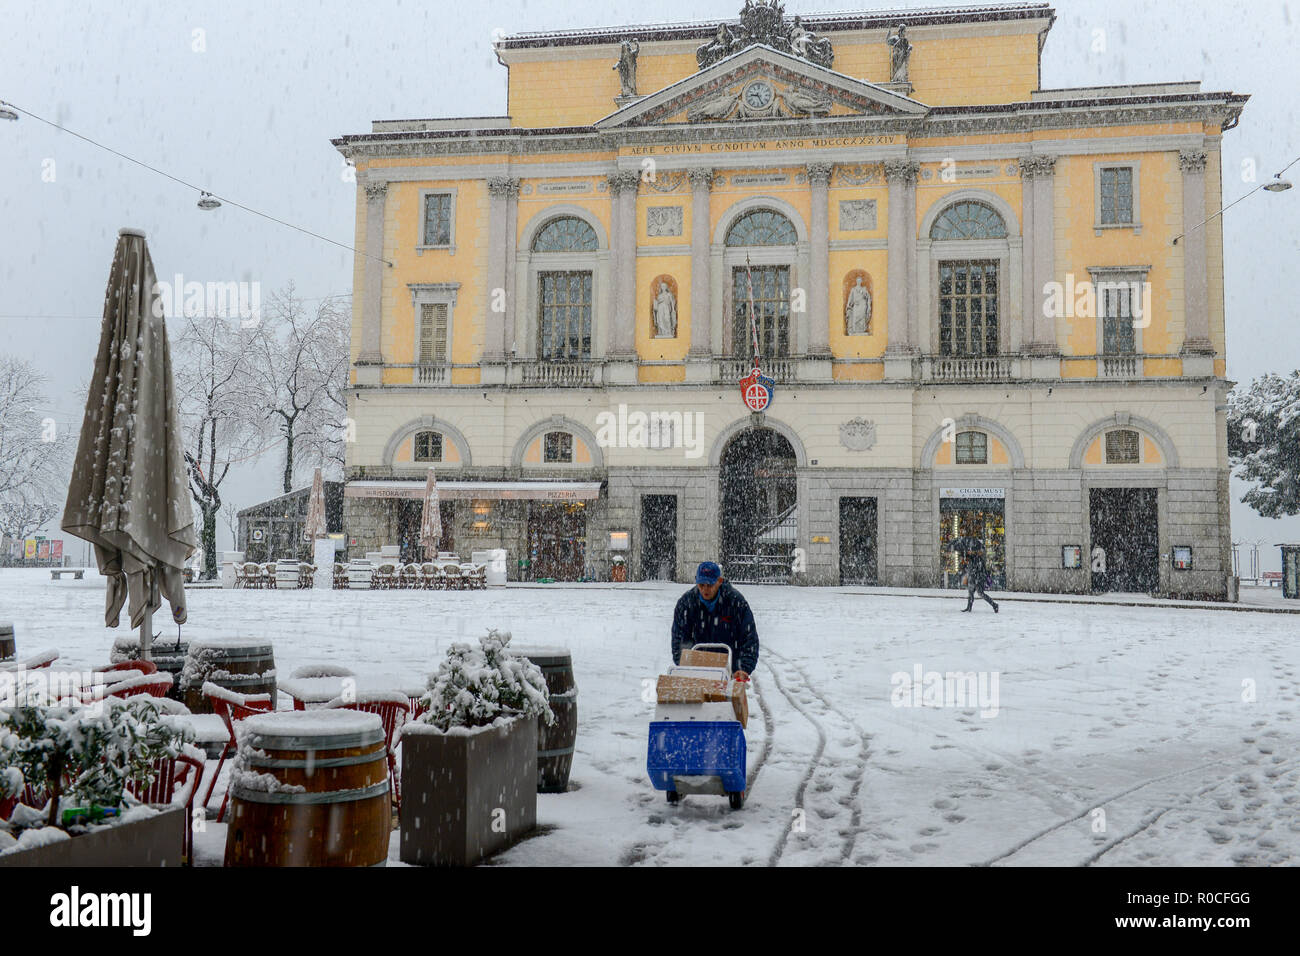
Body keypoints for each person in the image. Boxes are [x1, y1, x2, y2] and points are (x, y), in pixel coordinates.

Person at [671, 561, 759, 679]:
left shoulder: (736, 602)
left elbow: (749, 638)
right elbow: (679, 639)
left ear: (719, 581)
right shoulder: (686, 604)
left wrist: (743, 668)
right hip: (697, 669)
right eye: (701, 585)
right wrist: (686, 664)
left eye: (710, 585)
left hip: (730, 670)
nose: (705, 590)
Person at [960, 539, 999, 613]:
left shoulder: (978, 559)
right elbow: (969, 562)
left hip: (978, 578)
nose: (970, 551)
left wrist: (976, 575)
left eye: (971, 551)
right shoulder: (973, 558)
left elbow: (980, 569)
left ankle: (994, 605)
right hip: (973, 578)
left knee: (981, 593)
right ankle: (969, 608)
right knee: (971, 593)